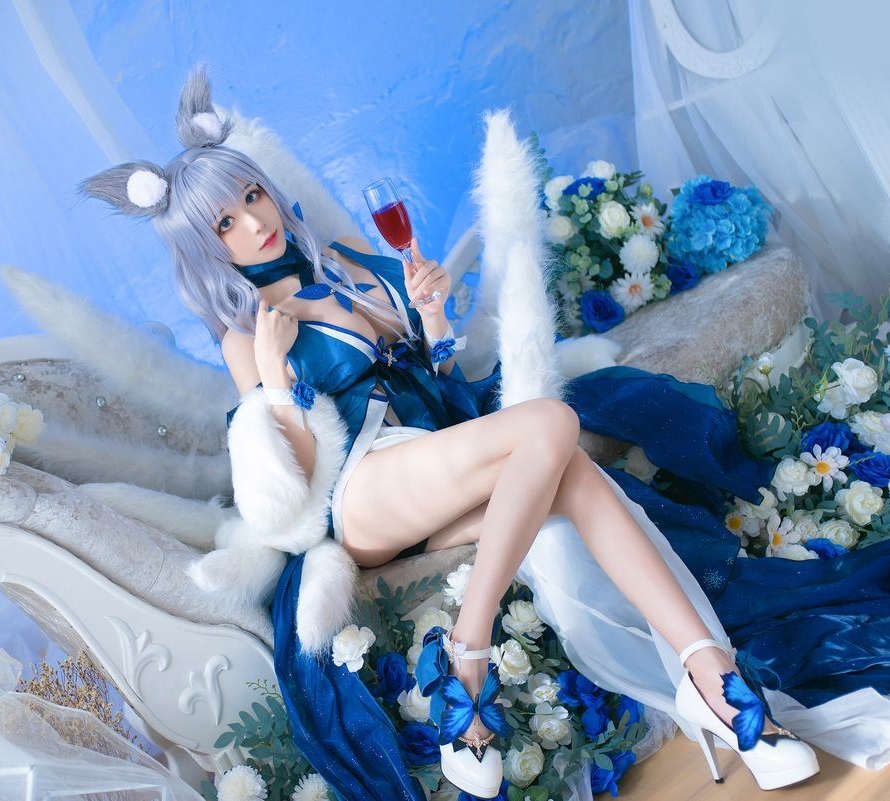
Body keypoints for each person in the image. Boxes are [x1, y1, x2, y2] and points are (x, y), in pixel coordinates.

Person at [77, 67, 825, 799]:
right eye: (226, 222)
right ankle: (468, 654)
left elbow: (431, 380)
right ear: (207, 249)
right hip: (360, 491)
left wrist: (430, 317)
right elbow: (293, 489)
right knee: (555, 421)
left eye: (250, 194)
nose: (253, 219)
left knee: (572, 472)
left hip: (426, 454)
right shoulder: (246, 333)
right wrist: (274, 384)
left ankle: (711, 680)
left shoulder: (341, 262)